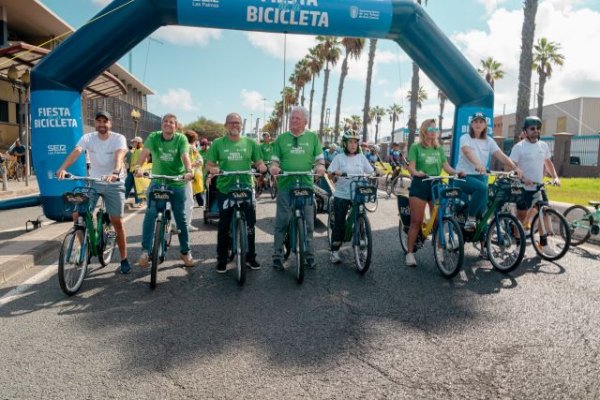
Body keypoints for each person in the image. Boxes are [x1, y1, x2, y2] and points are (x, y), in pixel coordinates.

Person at [55, 111, 131, 274]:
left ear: (111, 123)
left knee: (116, 221)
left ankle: (124, 258)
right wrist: (62, 169)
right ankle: (85, 248)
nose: (102, 124)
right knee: (78, 213)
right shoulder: (88, 138)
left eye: (105, 121)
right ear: (95, 123)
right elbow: (77, 151)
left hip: (114, 182)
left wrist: (116, 172)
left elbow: (119, 155)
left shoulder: (118, 138)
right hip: (94, 182)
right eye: (98, 121)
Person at [205, 113, 267, 273]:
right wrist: (213, 169)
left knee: (250, 225)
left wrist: (261, 167)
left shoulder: (251, 143)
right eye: (231, 123)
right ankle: (222, 259)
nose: (234, 125)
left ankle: (250, 257)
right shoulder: (218, 143)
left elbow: (258, 161)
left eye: (237, 123)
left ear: (241, 125)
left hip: (246, 186)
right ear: (226, 125)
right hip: (225, 189)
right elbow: (209, 164)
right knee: (224, 225)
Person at [134, 113, 195, 268]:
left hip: (176, 182)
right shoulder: (154, 137)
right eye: (165, 121)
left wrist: (189, 171)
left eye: (172, 122)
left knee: (180, 217)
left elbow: (185, 156)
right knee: (150, 213)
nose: (168, 124)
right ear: (162, 124)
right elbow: (144, 153)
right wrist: (138, 166)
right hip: (157, 181)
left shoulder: (181, 139)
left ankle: (185, 251)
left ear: (176, 126)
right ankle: (145, 251)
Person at [270, 106, 326, 271]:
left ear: (305, 121)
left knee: (309, 223)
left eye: (297, 118)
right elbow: (274, 160)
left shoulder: (312, 138)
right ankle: (277, 256)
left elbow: (320, 159)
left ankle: (309, 256)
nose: (293, 120)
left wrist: (320, 167)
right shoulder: (281, 139)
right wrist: (274, 167)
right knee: (282, 222)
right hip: (286, 185)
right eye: (292, 118)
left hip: (306, 185)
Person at [405, 118, 464, 267]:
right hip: (421, 185)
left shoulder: (438, 148)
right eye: (431, 129)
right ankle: (410, 253)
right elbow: (410, 167)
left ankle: (439, 250)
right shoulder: (416, 147)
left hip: (436, 185)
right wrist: (416, 173)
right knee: (416, 222)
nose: (434, 132)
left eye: (435, 129)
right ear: (424, 131)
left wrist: (456, 172)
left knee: (438, 221)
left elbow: (446, 166)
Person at [455, 112, 521, 233]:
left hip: (481, 177)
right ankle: (470, 219)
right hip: (463, 177)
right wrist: (478, 164)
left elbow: (500, 155)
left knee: (483, 212)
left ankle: (484, 246)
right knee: (481, 188)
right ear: (471, 124)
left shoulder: (489, 141)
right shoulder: (465, 137)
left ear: (485, 125)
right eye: (475, 121)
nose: (478, 124)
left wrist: (514, 167)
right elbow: (467, 151)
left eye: (481, 121)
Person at [510, 116, 561, 257]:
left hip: (539, 187)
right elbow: (511, 165)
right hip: (522, 188)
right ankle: (518, 247)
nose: (536, 131)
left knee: (544, 212)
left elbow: (548, 163)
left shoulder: (543, 146)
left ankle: (543, 244)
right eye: (532, 128)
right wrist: (522, 177)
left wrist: (555, 176)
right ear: (525, 130)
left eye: (538, 128)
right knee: (520, 218)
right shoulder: (519, 147)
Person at [327, 129, 374, 263]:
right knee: (339, 223)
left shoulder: (361, 157)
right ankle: (334, 251)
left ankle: (362, 245)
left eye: (355, 142)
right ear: (345, 144)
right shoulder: (339, 157)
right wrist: (336, 172)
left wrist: (377, 172)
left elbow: (370, 171)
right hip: (342, 194)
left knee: (361, 221)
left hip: (357, 194)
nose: (353, 145)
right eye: (350, 142)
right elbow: (329, 175)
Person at [184, 130, 202, 232]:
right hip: (187, 176)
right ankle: (187, 224)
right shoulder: (191, 148)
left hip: (175, 175)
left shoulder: (179, 145)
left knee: (176, 201)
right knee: (189, 202)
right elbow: (199, 161)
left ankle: (173, 223)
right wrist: (195, 163)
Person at [124, 136, 144, 208]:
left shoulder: (142, 150)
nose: (133, 143)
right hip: (131, 171)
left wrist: (140, 170)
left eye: (134, 142)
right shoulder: (134, 150)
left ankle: (140, 202)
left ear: (138, 143)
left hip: (138, 172)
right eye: (133, 142)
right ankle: (122, 199)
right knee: (126, 185)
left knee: (138, 187)